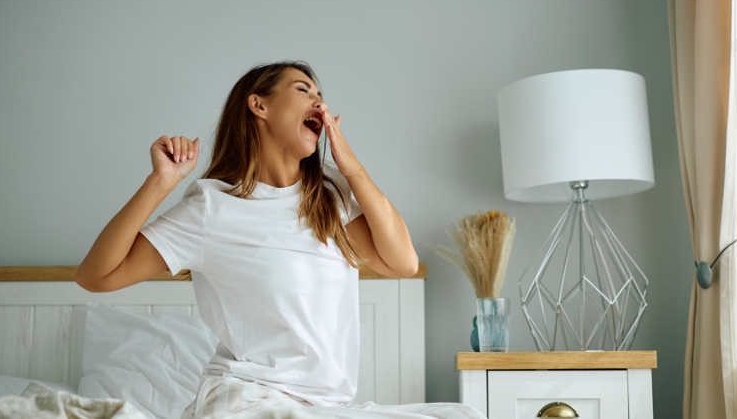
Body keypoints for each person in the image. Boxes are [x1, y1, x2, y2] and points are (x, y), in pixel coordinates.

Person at [76, 61, 484, 419]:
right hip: (246, 402)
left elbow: (403, 263)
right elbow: (96, 276)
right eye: (303, 90)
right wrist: (159, 183)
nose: (319, 104)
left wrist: (352, 167)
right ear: (260, 105)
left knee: (460, 415)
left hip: (323, 407)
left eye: (321, 96)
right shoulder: (212, 209)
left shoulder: (331, 199)